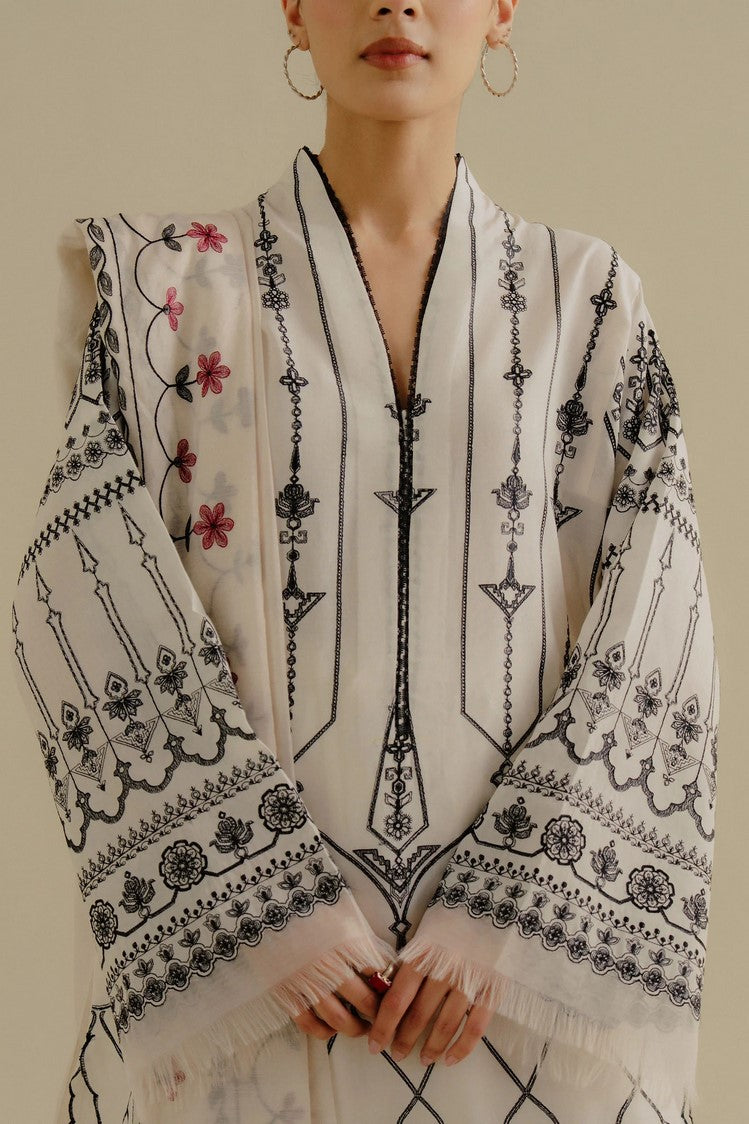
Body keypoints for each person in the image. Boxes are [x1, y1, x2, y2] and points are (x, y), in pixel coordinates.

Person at [8, 2, 719, 1122]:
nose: (396, 4)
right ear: (293, 7)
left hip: (510, 1020)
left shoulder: (586, 304)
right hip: (253, 1016)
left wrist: (507, 925)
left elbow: (657, 624)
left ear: (501, 11)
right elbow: (82, 593)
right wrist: (257, 914)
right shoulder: (163, 297)